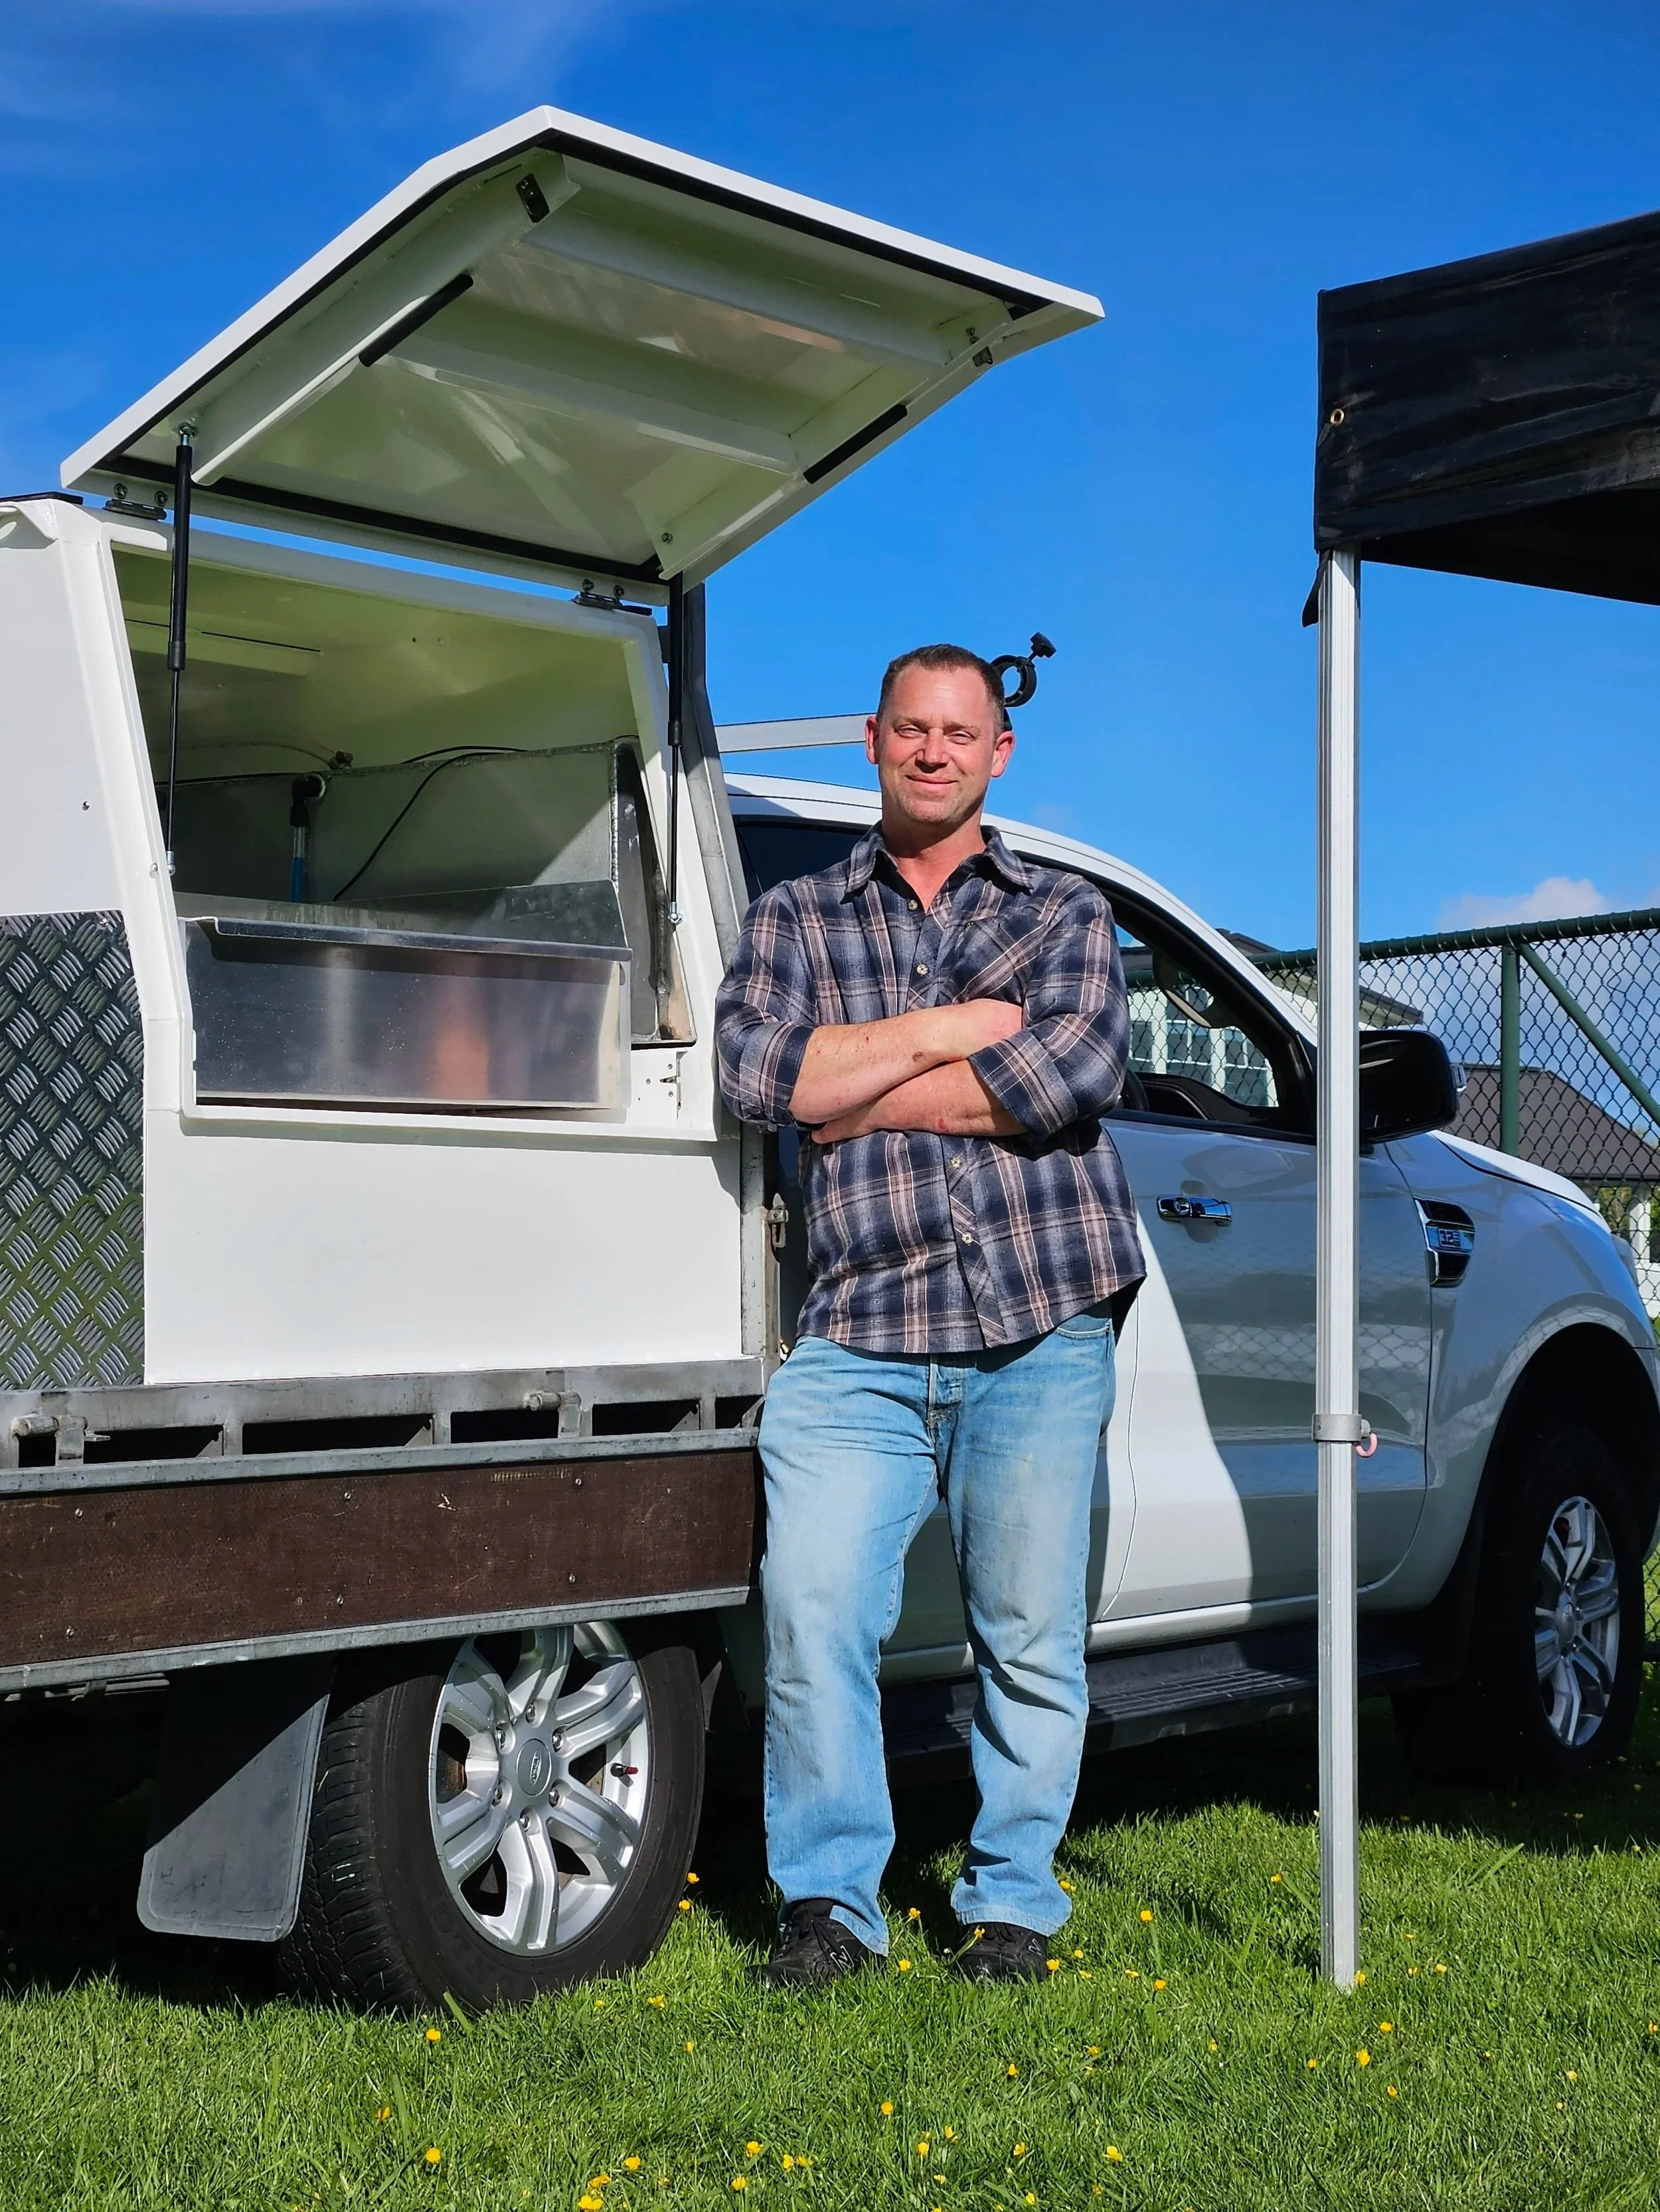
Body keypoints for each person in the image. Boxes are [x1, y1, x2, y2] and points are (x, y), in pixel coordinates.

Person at [714, 643, 1144, 1987]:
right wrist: (958, 1025)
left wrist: (851, 1085)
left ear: (995, 752)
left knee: (1025, 1632)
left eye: (958, 733)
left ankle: (1011, 1900)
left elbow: (1063, 1074)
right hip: (861, 1329)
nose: (931, 751)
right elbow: (750, 1071)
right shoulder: (795, 917)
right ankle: (830, 1906)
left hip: (1039, 1322)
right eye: (910, 729)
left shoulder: (1064, 910)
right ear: (873, 738)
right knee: (811, 1602)